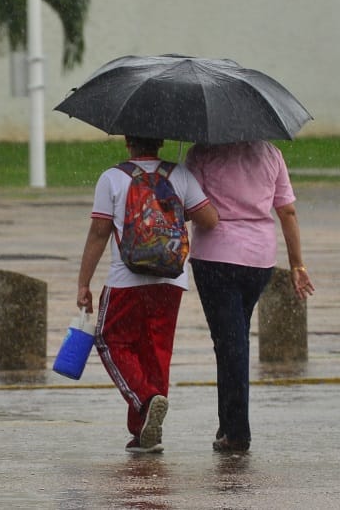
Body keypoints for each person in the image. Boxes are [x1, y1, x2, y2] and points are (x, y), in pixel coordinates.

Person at [77, 136, 219, 453]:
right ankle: (144, 433)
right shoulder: (180, 175)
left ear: (128, 141)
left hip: (126, 277)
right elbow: (210, 219)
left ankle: (145, 400)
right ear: (160, 141)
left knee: (110, 340)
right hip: (171, 279)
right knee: (156, 351)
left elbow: (99, 232)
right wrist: (172, 211)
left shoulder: (112, 177)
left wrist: (83, 282)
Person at [184, 140, 315, 453]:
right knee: (234, 338)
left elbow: (194, 209)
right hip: (260, 260)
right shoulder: (271, 153)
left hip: (216, 257)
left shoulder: (202, 152)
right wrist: (297, 263)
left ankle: (237, 430)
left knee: (230, 343)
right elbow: (287, 210)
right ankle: (228, 421)